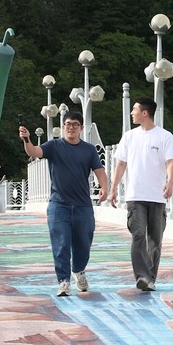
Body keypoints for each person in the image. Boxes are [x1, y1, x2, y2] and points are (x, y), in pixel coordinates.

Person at [19, 111, 109, 296]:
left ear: (81, 128)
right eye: (68, 124)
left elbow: (99, 170)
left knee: (84, 244)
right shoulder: (54, 146)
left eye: (75, 124)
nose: (71, 127)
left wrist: (104, 187)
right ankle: (63, 281)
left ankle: (79, 270)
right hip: (59, 205)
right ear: (63, 127)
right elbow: (34, 152)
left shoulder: (89, 149)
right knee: (61, 244)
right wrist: (26, 139)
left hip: (83, 206)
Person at [109, 97, 173, 292]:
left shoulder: (164, 136)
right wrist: (113, 188)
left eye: (135, 109)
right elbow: (121, 164)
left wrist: (170, 182)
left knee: (155, 239)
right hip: (135, 196)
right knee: (138, 235)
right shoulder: (129, 137)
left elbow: (171, 162)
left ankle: (150, 278)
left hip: (157, 196)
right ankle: (142, 276)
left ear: (145, 113)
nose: (132, 113)